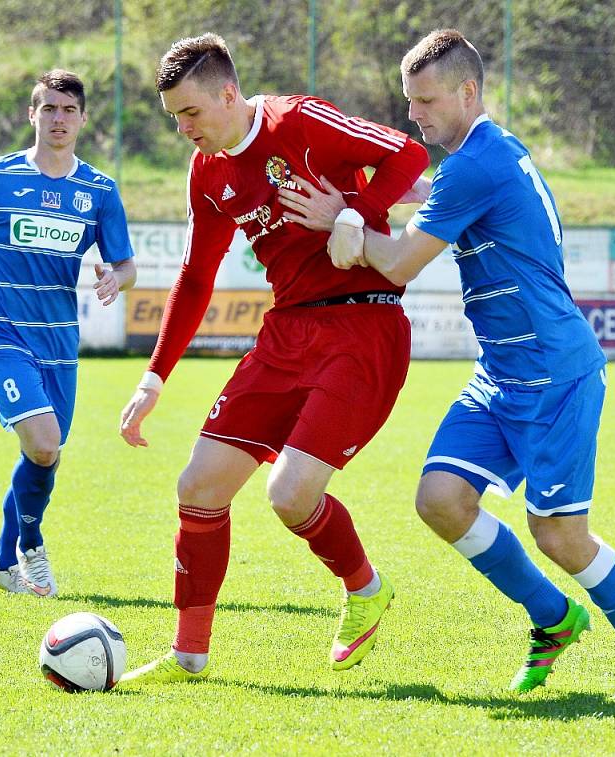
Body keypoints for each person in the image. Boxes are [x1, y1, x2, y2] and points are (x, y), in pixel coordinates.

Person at [290, 29, 615, 700]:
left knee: (558, 532)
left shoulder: (477, 164)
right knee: (440, 499)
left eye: (427, 101)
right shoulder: (484, 155)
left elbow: (403, 261)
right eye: (410, 102)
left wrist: (340, 223)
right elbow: (419, 209)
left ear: (468, 93)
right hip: (500, 374)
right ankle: (553, 617)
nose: (416, 115)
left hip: (556, 373)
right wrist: (355, 213)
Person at [118, 33, 429, 684]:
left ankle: (365, 587)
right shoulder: (206, 170)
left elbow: (406, 153)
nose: (183, 129)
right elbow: (197, 275)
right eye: (174, 117)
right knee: (198, 485)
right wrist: (153, 377)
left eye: (191, 113)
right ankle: (189, 655)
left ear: (228, 95)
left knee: (288, 493)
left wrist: (359, 214)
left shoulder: (300, 121)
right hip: (287, 332)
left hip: (363, 323)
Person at [0, 70, 136, 598]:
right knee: (44, 442)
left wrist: (116, 277)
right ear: (32, 114)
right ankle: (31, 545)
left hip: (59, 343)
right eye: (48, 108)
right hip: (1, 333)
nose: (58, 119)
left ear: (84, 119)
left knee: (44, 454)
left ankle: (2, 564)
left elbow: (127, 264)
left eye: (68, 110)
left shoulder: (98, 191)